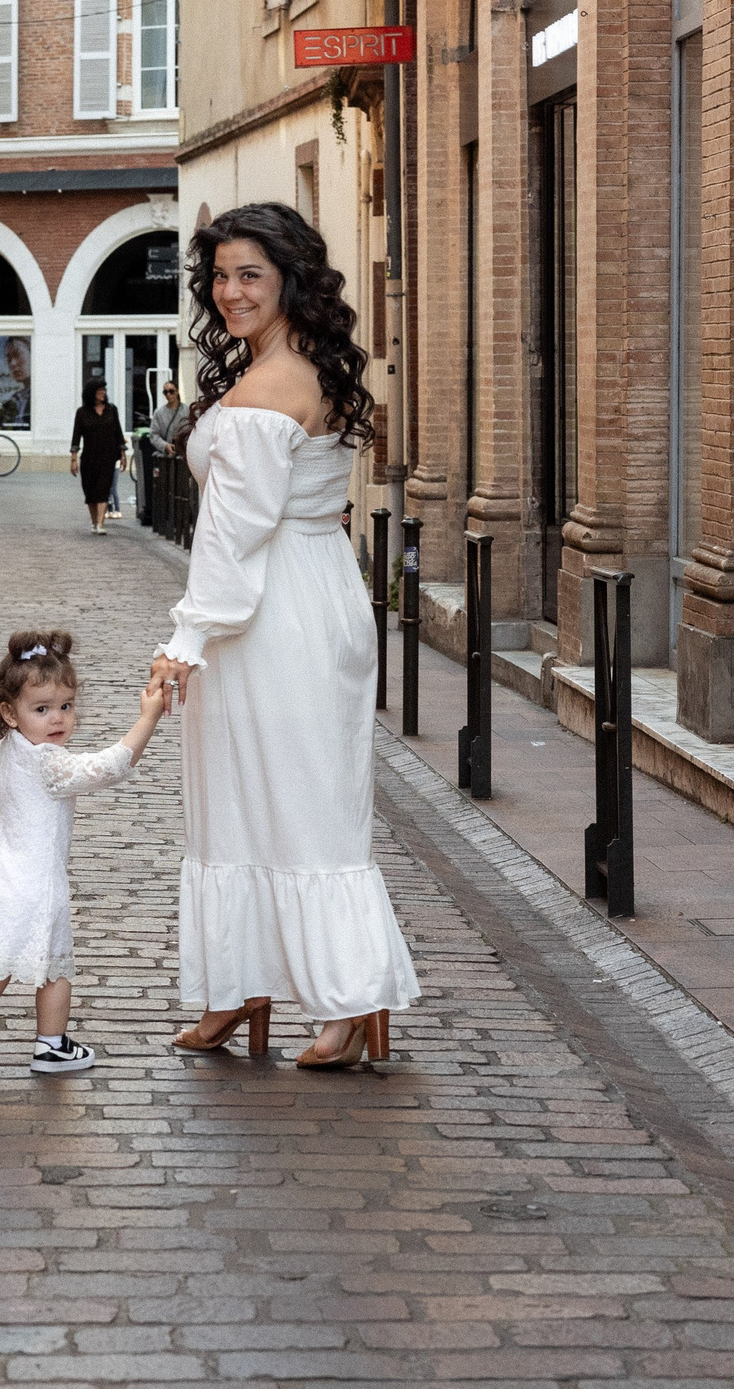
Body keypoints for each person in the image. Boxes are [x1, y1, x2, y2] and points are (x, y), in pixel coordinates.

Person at [148, 201, 421, 1071]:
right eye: (220, 275)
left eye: (249, 275)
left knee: (291, 809)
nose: (229, 292)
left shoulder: (270, 387)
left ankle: (342, 1000)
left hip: (268, 616)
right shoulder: (306, 365)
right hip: (315, 592)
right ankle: (247, 987)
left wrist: (185, 640)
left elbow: (234, 538)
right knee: (271, 801)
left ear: (290, 278)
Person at [0, 632, 169, 1081]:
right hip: (37, 887)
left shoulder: (3, 753)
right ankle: (51, 1045)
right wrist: (149, 716)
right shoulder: (51, 763)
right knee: (55, 967)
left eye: (65, 706)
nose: (57, 719)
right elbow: (113, 764)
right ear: (10, 712)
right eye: (41, 709)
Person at [69, 382, 127, 534]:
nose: (102, 393)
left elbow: (118, 432)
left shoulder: (111, 410)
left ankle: (101, 523)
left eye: (103, 390)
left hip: (108, 456)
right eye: (99, 390)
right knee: (90, 490)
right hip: (89, 457)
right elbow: (76, 436)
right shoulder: (82, 413)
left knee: (103, 488)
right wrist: (73, 459)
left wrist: (123, 454)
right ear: (91, 393)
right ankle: (94, 521)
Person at [147, 380, 188, 454]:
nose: (168, 394)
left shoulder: (187, 410)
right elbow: (154, 435)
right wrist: (165, 445)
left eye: (171, 391)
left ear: (177, 391)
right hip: (165, 456)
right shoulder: (159, 413)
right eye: (165, 392)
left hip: (183, 454)